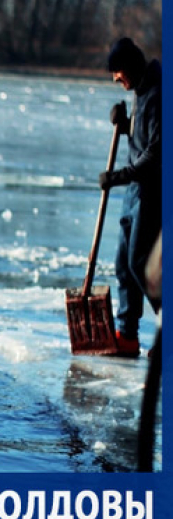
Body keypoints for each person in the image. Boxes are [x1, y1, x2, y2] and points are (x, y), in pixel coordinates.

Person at [99, 37, 161, 357]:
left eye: (118, 71)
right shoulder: (140, 90)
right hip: (134, 191)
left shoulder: (159, 93)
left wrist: (118, 177)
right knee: (123, 263)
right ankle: (128, 335)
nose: (115, 78)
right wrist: (125, 126)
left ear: (132, 67)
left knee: (140, 262)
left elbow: (156, 152)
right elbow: (143, 137)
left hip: (153, 192)